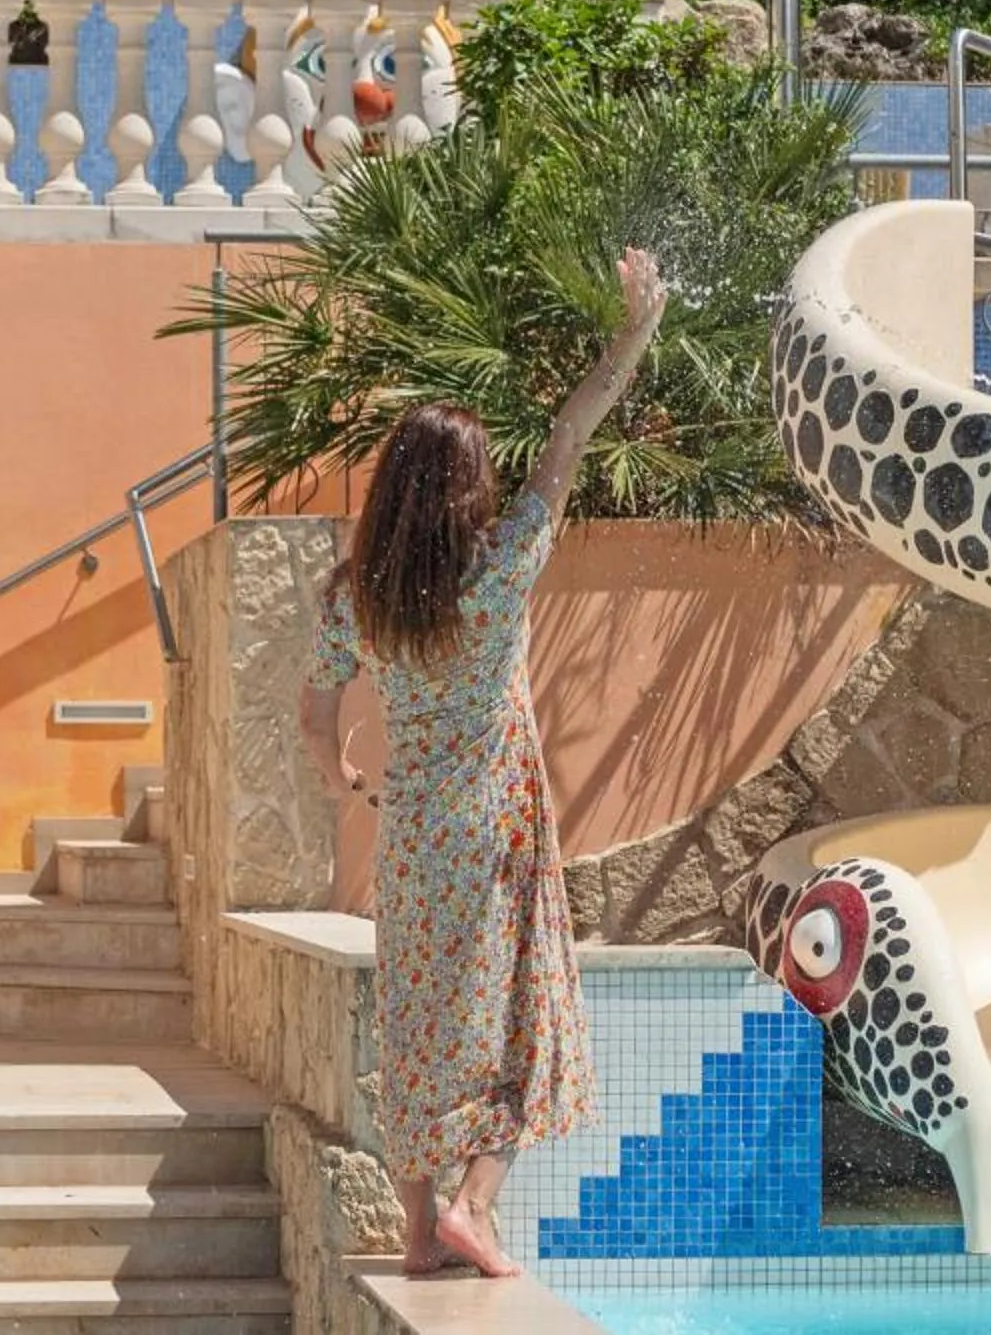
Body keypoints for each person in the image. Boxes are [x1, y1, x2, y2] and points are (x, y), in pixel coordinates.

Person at [300, 247, 669, 1279]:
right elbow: (567, 437)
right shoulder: (499, 571)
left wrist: (346, 781)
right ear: (466, 491)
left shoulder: (354, 600)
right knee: (522, 1014)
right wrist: (632, 334)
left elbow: (315, 708)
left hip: (414, 828)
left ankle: (421, 1233)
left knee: (416, 1025)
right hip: (497, 827)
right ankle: (472, 1202)